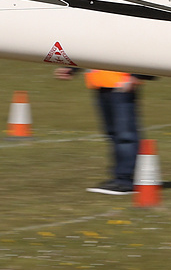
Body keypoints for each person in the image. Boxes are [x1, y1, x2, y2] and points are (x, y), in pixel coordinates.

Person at [55, 66, 143, 194]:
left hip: (122, 84)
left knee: (125, 135)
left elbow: (140, 49)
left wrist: (137, 76)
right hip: (102, 84)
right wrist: (72, 68)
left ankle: (125, 180)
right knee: (113, 133)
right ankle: (121, 177)